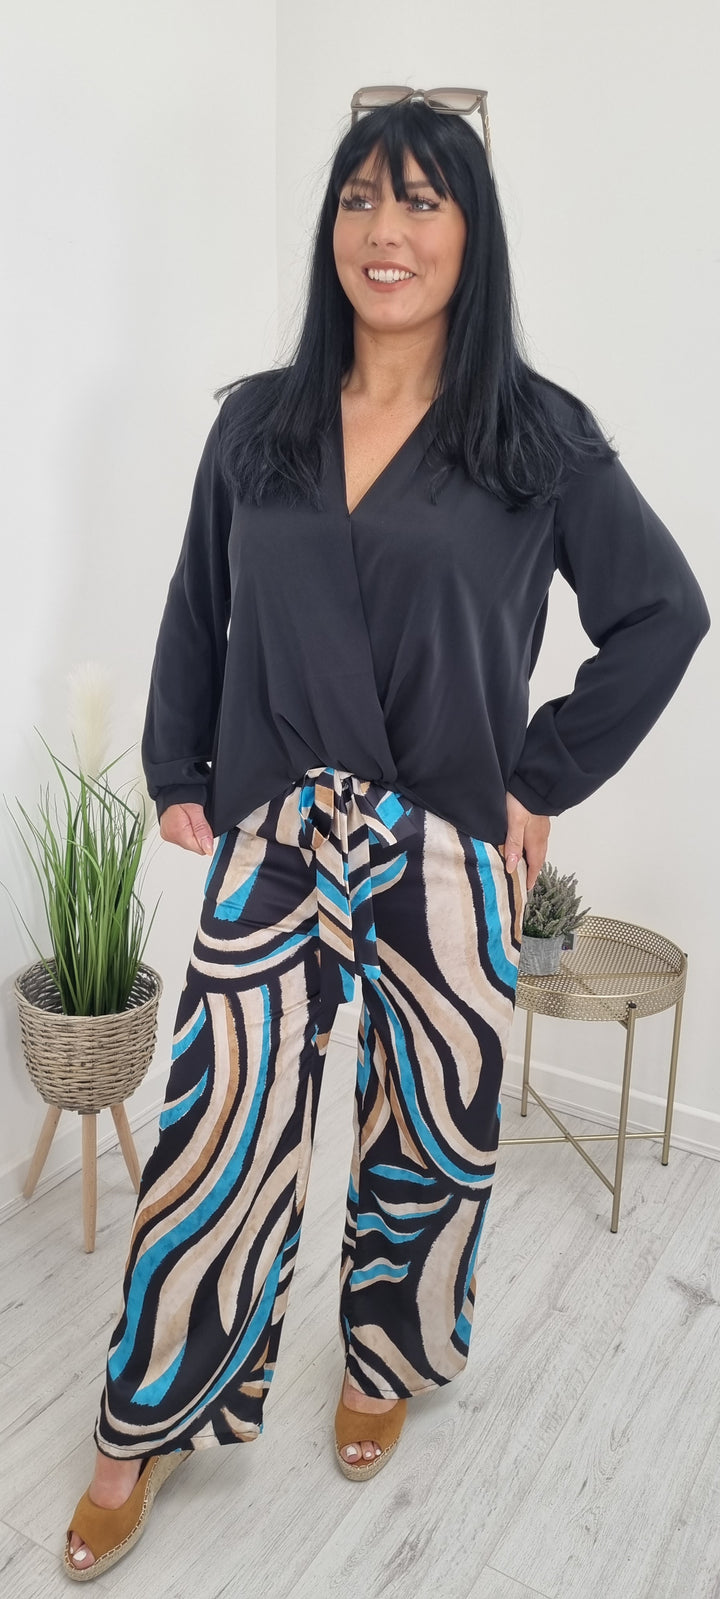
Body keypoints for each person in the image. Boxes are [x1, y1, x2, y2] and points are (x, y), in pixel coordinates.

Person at [63, 88, 710, 1578]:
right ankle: (141, 1422)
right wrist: (177, 757)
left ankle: (383, 1360)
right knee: (214, 1137)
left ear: (472, 234)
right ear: (331, 228)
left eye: (421, 199)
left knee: (428, 1133)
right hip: (278, 828)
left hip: (445, 841)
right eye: (360, 197)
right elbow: (197, 600)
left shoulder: (539, 438)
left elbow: (664, 614)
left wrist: (539, 780)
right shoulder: (259, 422)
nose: (385, 228)